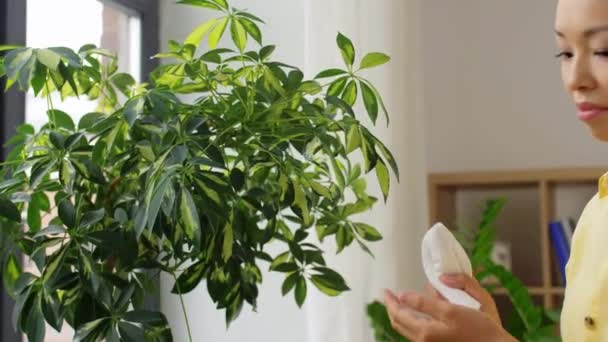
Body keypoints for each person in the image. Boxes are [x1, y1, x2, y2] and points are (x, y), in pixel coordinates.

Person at [384, 0, 608, 340]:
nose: (576, 79)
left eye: (604, 50)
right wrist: (490, 329)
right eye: (565, 53)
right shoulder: (596, 215)